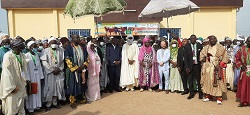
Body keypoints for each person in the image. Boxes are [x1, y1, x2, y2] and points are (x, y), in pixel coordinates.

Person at [0, 40, 27, 115]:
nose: (20, 51)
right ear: (14, 48)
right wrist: (12, 87)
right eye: (19, 49)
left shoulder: (21, 55)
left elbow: (24, 69)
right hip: (11, 86)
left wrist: (25, 80)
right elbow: (6, 73)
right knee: (11, 106)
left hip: (20, 83)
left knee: (21, 105)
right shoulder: (8, 56)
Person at [200, 35, 228, 105]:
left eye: (215, 39)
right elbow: (201, 56)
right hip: (207, 67)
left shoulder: (220, 47)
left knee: (217, 82)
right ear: (209, 40)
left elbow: (225, 58)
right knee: (207, 81)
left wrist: (220, 65)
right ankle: (208, 96)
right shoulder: (206, 48)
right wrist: (203, 59)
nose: (213, 40)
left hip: (217, 67)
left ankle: (219, 97)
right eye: (212, 39)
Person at [40, 37, 65, 111]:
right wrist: (51, 70)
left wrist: (59, 69)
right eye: (52, 43)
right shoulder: (45, 51)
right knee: (50, 88)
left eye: (55, 43)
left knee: (58, 87)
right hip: (50, 73)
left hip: (58, 72)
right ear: (49, 44)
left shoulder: (60, 50)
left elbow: (62, 61)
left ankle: (55, 103)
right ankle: (48, 104)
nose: (54, 44)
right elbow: (44, 62)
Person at [64, 34, 88, 109]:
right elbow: (67, 59)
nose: (78, 39)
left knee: (81, 84)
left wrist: (83, 65)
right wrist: (76, 68)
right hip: (73, 71)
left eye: (78, 38)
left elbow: (87, 57)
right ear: (72, 39)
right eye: (76, 38)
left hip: (81, 69)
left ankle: (80, 98)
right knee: (73, 85)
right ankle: (72, 101)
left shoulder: (82, 47)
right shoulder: (68, 48)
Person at [25, 41, 44, 114]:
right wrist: (27, 78)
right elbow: (25, 69)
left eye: (36, 46)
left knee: (37, 90)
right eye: (33, 46)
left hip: (37, 75)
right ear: (29, 47)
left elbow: (39, 66)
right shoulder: (26, 56)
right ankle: (31, 108)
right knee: (31, 92)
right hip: (31, 76)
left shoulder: (36, 55)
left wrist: (41, 76)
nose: (35, 48)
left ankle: (37, 106)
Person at [184, 35, 203, 99]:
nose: (193, 40)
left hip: (197, 65)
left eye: (194, 38)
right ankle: (191, 93)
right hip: (190, 66)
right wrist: (186, 67)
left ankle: (200, 93)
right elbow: (185, 58)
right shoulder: (187, 46)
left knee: (199, 80)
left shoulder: (200, 46)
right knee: (190, 80)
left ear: (196, 39)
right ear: (190, 39)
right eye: (191, 39)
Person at [235, 36, 250, 107]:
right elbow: (236, 58)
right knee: (244, 86)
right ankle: (243, 101)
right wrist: (241, 66)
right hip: (245, 70)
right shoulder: (242, 49)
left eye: (249, 41)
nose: (248, 43)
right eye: (247, 41)